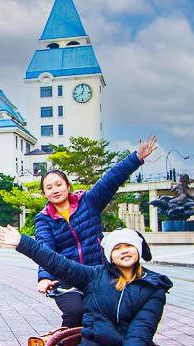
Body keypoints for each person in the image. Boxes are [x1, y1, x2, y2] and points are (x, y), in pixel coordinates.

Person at [0, 225, 172, 346]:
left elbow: (141, 330)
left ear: (138, 249)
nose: (124, 251)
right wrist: (23, 243)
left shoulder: (153, 286)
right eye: (117, 248)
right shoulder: (93, 276)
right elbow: (60, 265)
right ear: (109, 255)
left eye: (129, 246)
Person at [35, 135, 158, 329]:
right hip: (68, 280)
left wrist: (136, 158)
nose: (55, 190)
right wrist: (45, 276)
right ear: (44, 194)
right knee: (76, 312)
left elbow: (111, 179)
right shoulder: (43, 219)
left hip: (99, 275)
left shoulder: (89, 202)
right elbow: (44, 248)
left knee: (110, 312)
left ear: (68, 186)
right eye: (49, 188)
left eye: (59, 185)